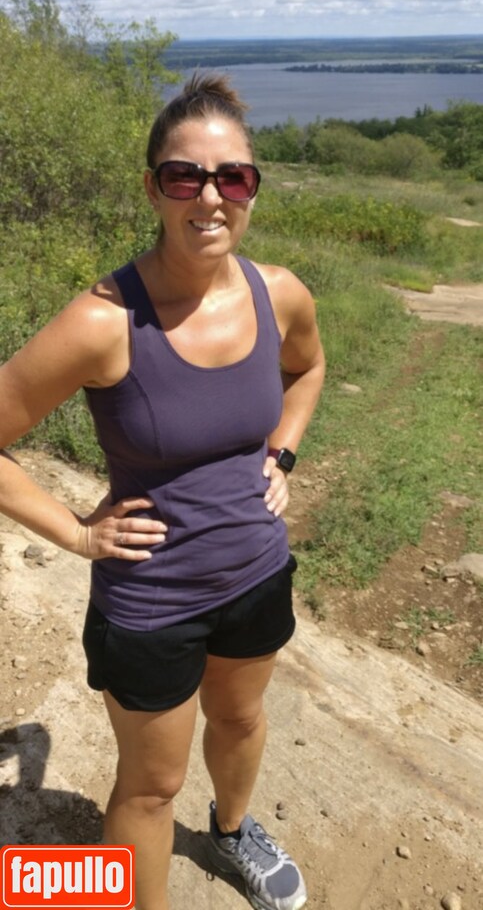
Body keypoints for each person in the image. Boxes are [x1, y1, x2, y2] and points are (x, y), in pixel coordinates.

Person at [0, 73, 325, 910]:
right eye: (185, 177)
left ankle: (232, 831)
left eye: (232, 178)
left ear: (251, 189)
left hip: (256, 571)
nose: (210, 197)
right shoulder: (105, 320)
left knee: (242, 721)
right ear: (153, 189)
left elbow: (307, 368)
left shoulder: (278, 292)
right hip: (152, 603)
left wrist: (282, 455)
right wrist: (76, 534)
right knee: (151, 786)